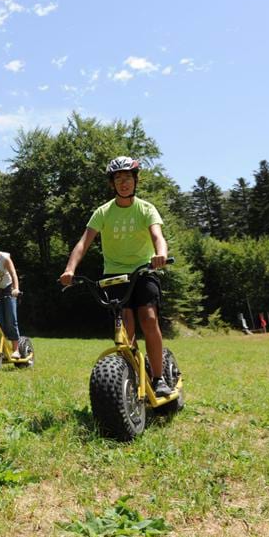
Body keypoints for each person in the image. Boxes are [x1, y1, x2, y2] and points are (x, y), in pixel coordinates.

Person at [59, 156, 172, 397]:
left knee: (149, 318)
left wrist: (161, 254)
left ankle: (159, 378)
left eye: (128, 178)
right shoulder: (103, 212)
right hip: (115, 275)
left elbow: (157, 236)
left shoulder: (145, 208)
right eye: (118, 179)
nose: (123, 183)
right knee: (125, 327)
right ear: (112, 184)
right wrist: (70, 269)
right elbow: (83, 243)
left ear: (135, 181)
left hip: (144, 270)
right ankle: (129, 375)